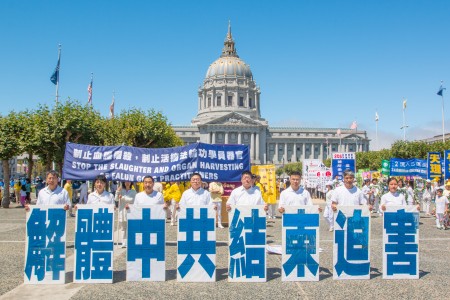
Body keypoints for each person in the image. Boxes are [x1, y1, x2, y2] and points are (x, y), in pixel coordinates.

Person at [115, 181, 137, 247]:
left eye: (129, 182)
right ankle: (123, 242)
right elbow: (116, 199)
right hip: (122, 210)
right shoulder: (122, 191)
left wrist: (123, 198)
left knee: (129, 227)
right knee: (123, 228)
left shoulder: (133, 191)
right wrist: (117, 191)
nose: (127, 183)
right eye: (126, 182)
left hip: (130, 211)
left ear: (131, 183)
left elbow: (132, 200)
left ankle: (129, 241)